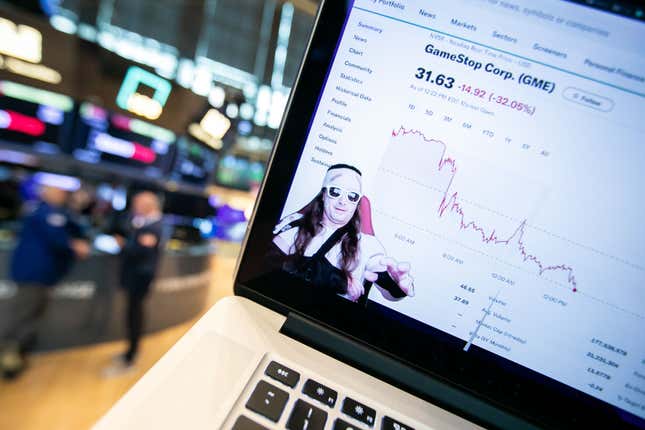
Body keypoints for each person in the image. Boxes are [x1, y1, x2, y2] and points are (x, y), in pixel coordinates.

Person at [272, 164, 414, 305]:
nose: (343, 201)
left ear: (357, 201)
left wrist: (397, 286)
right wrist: (335, 279)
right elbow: (268, 263)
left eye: (352, 196)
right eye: (335, 191)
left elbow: (386, 284)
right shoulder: (296, 226)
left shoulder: (367, 244)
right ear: (323, 194)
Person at [0, 182, 90, 379]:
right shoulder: (44, 212)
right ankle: (10, 361)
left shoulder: (56, 212)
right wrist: (74, 245)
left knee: (30, 315)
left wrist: (74, 207)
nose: (62, 196)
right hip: (33, 274)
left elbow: (76, 227)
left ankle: (18, 355)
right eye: (59, 192)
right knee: (24, 316)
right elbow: (58, 237)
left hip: (42, 275)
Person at [103, 191, 163, 376]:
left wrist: (123, 244)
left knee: (135, 315)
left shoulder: (155, 226)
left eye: (137, 204)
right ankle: (129, 353)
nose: (134, 208)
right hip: (135, 276)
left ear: (148, 205)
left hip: (140, 278)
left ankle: (131, 358)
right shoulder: (144, 222)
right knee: (132, 314)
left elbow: (142, 251)